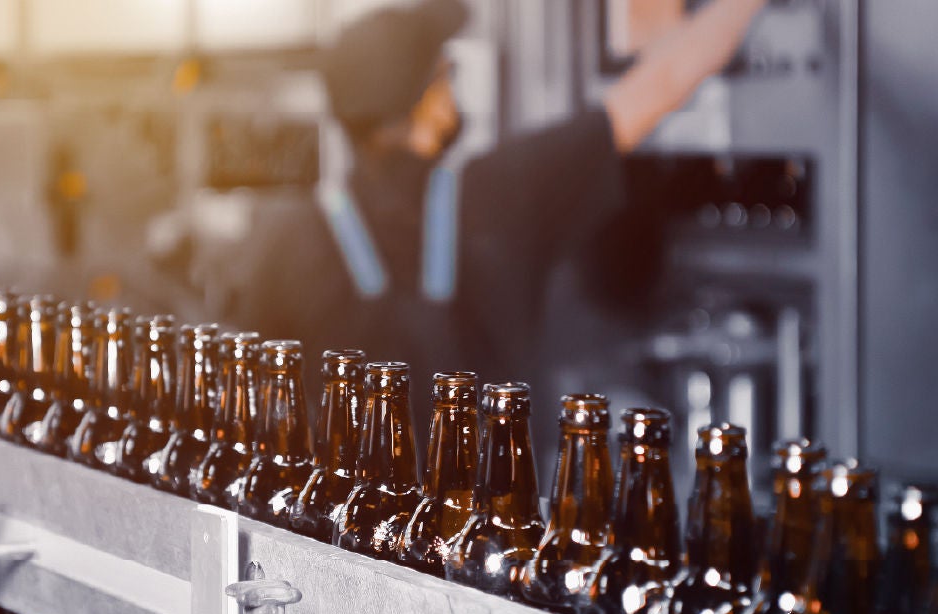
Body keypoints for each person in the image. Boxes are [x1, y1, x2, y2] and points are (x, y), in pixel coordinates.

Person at [226, 0, 767, 389]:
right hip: (488, 515)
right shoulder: (501, 192)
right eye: (447, 73)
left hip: (341, 516)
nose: (453, 88)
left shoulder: (284, 241)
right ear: (425, 103)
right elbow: (660, 85)